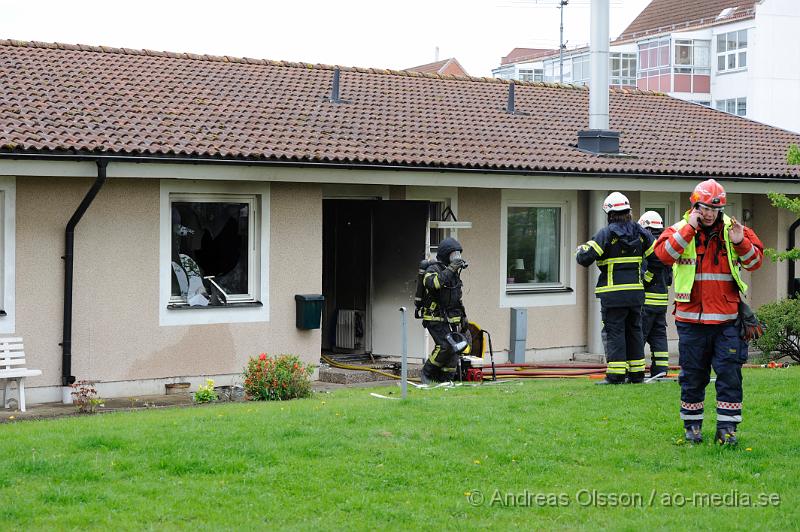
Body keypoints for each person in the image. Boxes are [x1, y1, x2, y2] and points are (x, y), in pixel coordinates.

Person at [654, 179, 763, 446]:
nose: (709, 213)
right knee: (693, 376)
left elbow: (756, 262)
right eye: (704, 208)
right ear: (694, 206)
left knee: (729, 375)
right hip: (691, 321)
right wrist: (690, 228)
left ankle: (727, 430)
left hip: (727, 320)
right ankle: (692, 428)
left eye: (715, 208)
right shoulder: (679, 229)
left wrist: (740, 243)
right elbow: (663, 256)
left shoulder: (735, 231)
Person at [576, 192, 656, 385]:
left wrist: (582, 249)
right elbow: (657, 256)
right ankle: (637, 374)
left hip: (613, 294)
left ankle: (616, 375)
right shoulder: (640, 231)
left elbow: (585, 259)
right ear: (628, 211)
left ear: (610, 213)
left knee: (615, 332)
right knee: (635, 331)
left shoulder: (606, 233)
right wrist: (646, 278)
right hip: (636, 294)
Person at [419, 237, 471, 384]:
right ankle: (427, 374)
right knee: (445, 346)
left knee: (456, 348)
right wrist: (451, 269)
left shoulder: (453, 273)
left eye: (458, 255)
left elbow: (456, 297)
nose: (456, 258)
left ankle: (446, 379)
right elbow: (433, 284)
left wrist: (464, 316)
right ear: (445, 255)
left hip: (451, 316)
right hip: (435, 317)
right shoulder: (432, 269)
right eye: (453, 255)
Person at [638, 211, 671, 379]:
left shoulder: (647, 249)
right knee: (658, 337)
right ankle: (660, 371)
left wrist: (645, 280)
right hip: (661, 303)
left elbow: (646, 275)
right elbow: (670, 278)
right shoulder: (666, 248)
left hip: (646, 303)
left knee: (639, 336)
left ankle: (635, 371)